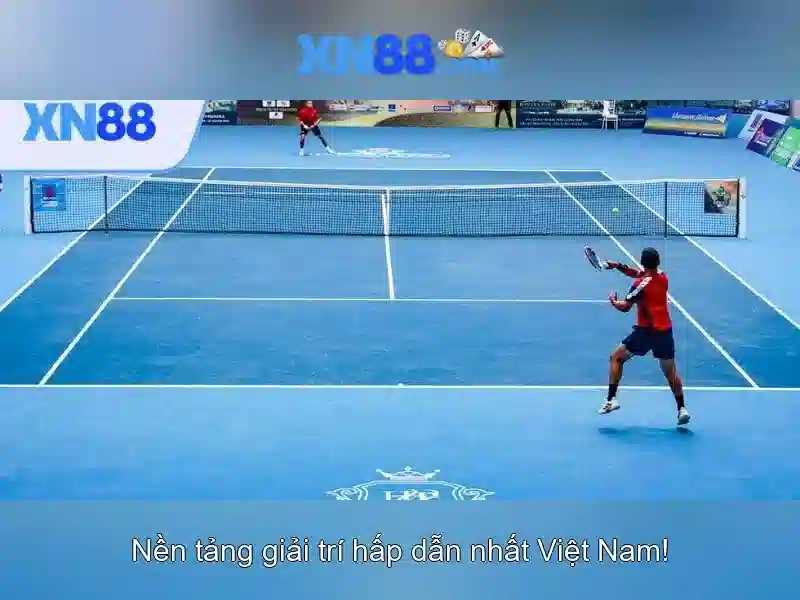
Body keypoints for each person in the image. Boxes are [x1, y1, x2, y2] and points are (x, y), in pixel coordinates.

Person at [599, 248, 690, 426]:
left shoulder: (639, 286)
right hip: (665, 332)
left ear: (642, 262)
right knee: (670, 372)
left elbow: (625, 307)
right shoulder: (662, 277)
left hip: (646, 332)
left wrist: (613, 302)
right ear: (658, 262)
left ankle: (611, 400)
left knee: (616, 358)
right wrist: (617, 265)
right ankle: (682, 409)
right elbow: (641, 274)